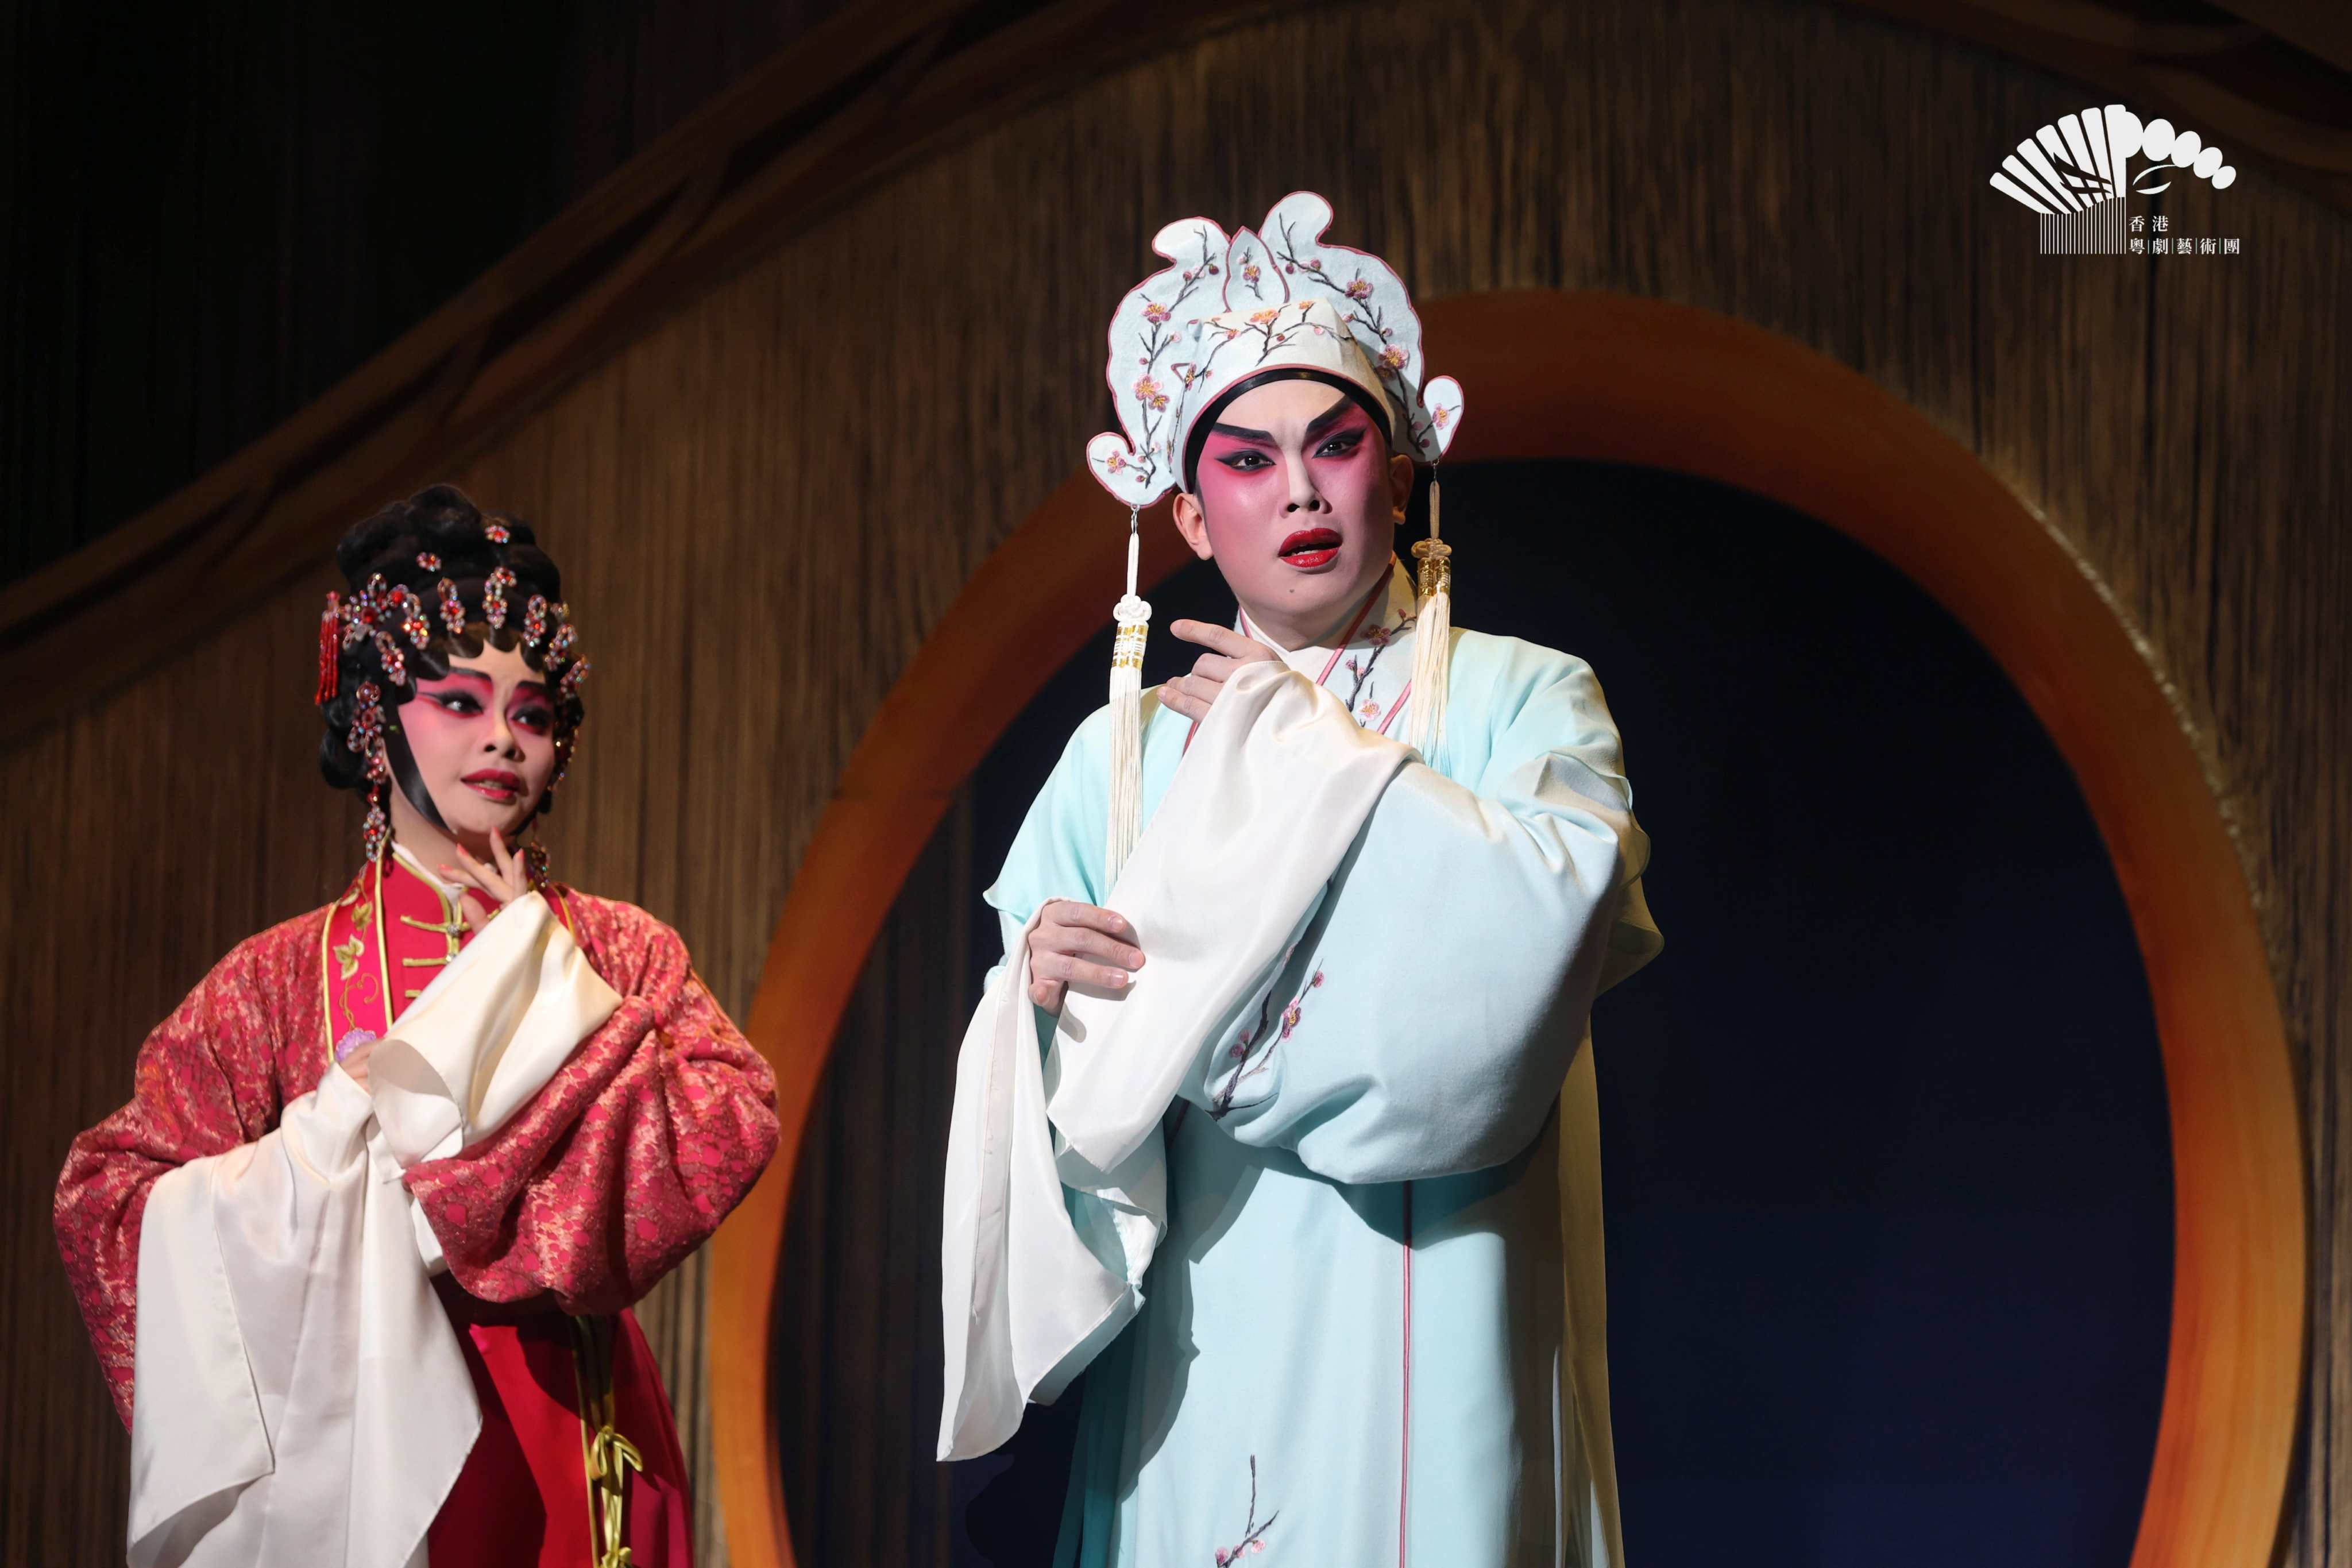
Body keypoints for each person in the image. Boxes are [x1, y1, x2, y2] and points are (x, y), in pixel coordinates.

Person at [939, 192, 1662, 1566]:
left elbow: (1546, 935)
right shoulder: (1124, 755)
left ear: (1397, 479)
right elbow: (1056, 1123)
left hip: (1458, 1291)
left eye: (1336, 447)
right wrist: (1032, 1006)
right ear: (1192, 518)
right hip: (1216, 1319)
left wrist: (1301, 756)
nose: (1301, 491)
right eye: (1247, 460)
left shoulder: (1524, 699)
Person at [55, 485, 781, 1568]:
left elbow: (733, 1110)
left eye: (531, 713)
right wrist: (303, 1200)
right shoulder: (279, 977)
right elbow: (110, 1197)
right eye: (460, 701)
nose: (502, 739)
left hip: (570, 1421)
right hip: (350, 1438)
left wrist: (550, 981)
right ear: (374, 716)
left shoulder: (616, 948)